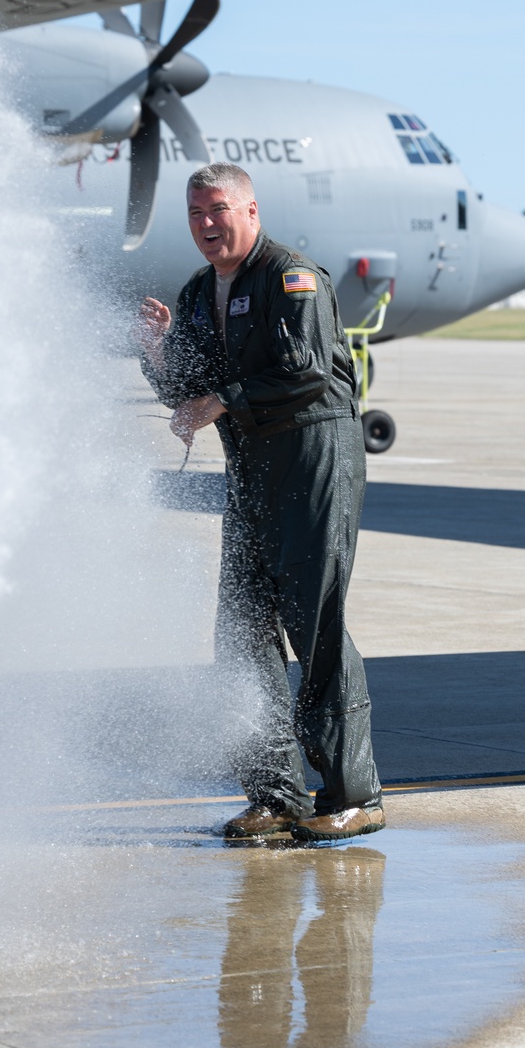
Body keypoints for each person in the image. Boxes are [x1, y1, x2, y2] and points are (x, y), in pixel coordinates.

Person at [134, 162, 384, 841]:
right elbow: (190, 386)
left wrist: (222, 401)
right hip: (250, 467)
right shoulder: (194, 294)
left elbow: (302, 369)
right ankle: (275, 796)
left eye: (218, 209)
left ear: (249, 209)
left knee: (315, 622)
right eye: (195, 214)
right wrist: (157, 355)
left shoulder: (291, 277)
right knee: (241, 630)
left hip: (312, 458)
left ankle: (352, 792)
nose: (207, 224)